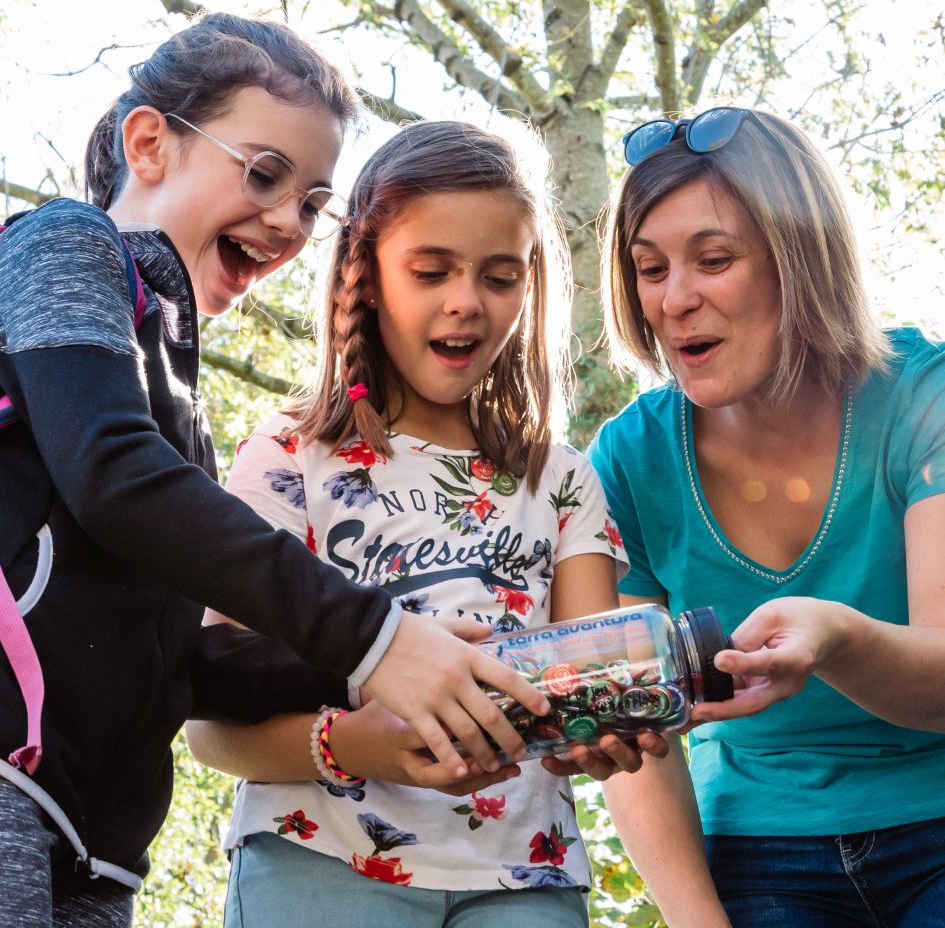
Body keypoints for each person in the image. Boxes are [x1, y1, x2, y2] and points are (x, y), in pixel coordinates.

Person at [0, 16, 550, 928]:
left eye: (312, 202)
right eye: (265, 173)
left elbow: (180, 659)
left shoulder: (170, 402)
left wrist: (392, 675)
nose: (286, 223)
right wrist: (378, 639)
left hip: (89, 825)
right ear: (149, 142)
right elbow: (117, 480)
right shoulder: (61, 248)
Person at [588, 106, 945, 928]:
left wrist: (836, 635)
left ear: (800, 260)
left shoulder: (939, 396)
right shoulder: (627, 461)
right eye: (649, 269)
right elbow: (635, 732)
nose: (675, 299)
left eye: (714, 259)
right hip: (763, 837)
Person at [185, 119, 662, 928]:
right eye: (431, 270)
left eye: (501, 276)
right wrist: (359, 745)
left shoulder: (564, 480)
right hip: (318, 861)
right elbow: (210, 730)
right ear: (366, 274)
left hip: (523, 879)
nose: (466, 303)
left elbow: (589, 694)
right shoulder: (288, 456)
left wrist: (609, 730)